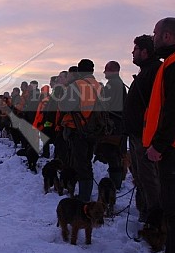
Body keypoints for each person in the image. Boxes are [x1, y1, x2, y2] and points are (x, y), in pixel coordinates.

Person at [142, 17, 175, 253]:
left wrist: (159, 144)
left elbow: (174, 109)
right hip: (172, 148)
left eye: (156, 32)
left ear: (167, 36)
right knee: (171, 209)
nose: (153, 36)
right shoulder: (171, 62)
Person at [123, 35, 162, 227]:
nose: (132, 52)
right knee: (140, 176)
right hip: (138, 134)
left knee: (150, 178)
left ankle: (155, 222)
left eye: (136, 49)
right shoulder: (146, 71)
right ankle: (146, 213)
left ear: (145, 52)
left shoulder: (155, 71)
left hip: (146, 137)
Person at [59, 59, 102, 201]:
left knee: (81, 164)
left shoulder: (77, 85)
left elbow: (64, 106)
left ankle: (84, 198)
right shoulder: (99, 86)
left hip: (78, 130)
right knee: (87, 162)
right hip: (94, 130)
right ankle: (85, 193)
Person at [95, 61, 127, 189]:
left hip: (113, 126)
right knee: (115, 155)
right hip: (117, 125)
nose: (105, 73)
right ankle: (116, 183)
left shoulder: (113, 85)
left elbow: (104, 105)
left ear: (112, 71)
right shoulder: (118, 84)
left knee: (113, 155)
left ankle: (115, 185)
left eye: (106, 70)